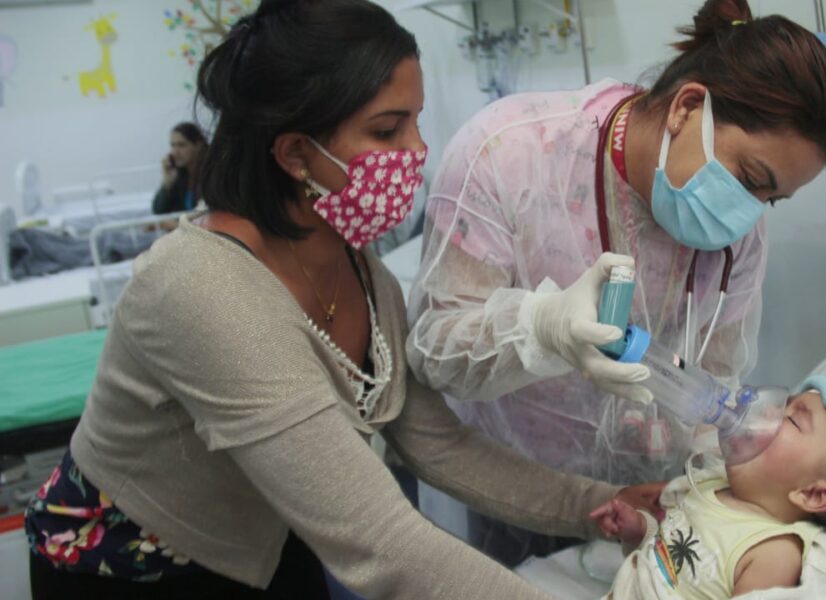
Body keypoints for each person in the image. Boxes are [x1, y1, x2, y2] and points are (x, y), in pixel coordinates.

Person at [23, 2, 660, 598]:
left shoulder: (358, 268)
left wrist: (599, 504)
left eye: (416, 120)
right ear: (296, 152)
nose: (416, 151)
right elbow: (382, 543)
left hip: (270, 537)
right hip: (127, 564)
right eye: (387, 129)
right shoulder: (202, 289)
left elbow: (438, 444)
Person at [405, 0, 826, 565]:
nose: (750, 213)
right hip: (516, 485)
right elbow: (435, 353)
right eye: (750, 179)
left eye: (772, 198)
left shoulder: (741, 239)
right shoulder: (510, 154)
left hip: (650, 507)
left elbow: (712, 393)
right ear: (688, 107)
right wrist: (541, 330)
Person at [590, 375, 826, 599]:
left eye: (793, 420)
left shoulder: (773, 551)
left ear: (813, 495)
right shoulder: (712, 487)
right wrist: (641, 530)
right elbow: (678, 565)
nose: (766, 412)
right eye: (783, 404)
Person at [152, 121, 207, 214]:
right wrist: (167, 182)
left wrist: (173, 224)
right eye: (173, 145)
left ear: (198, 146)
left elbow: (206, 214)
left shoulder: (211, 174)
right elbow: (158, 210)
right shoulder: (180, 175)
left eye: (181, 145)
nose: (175, 152)